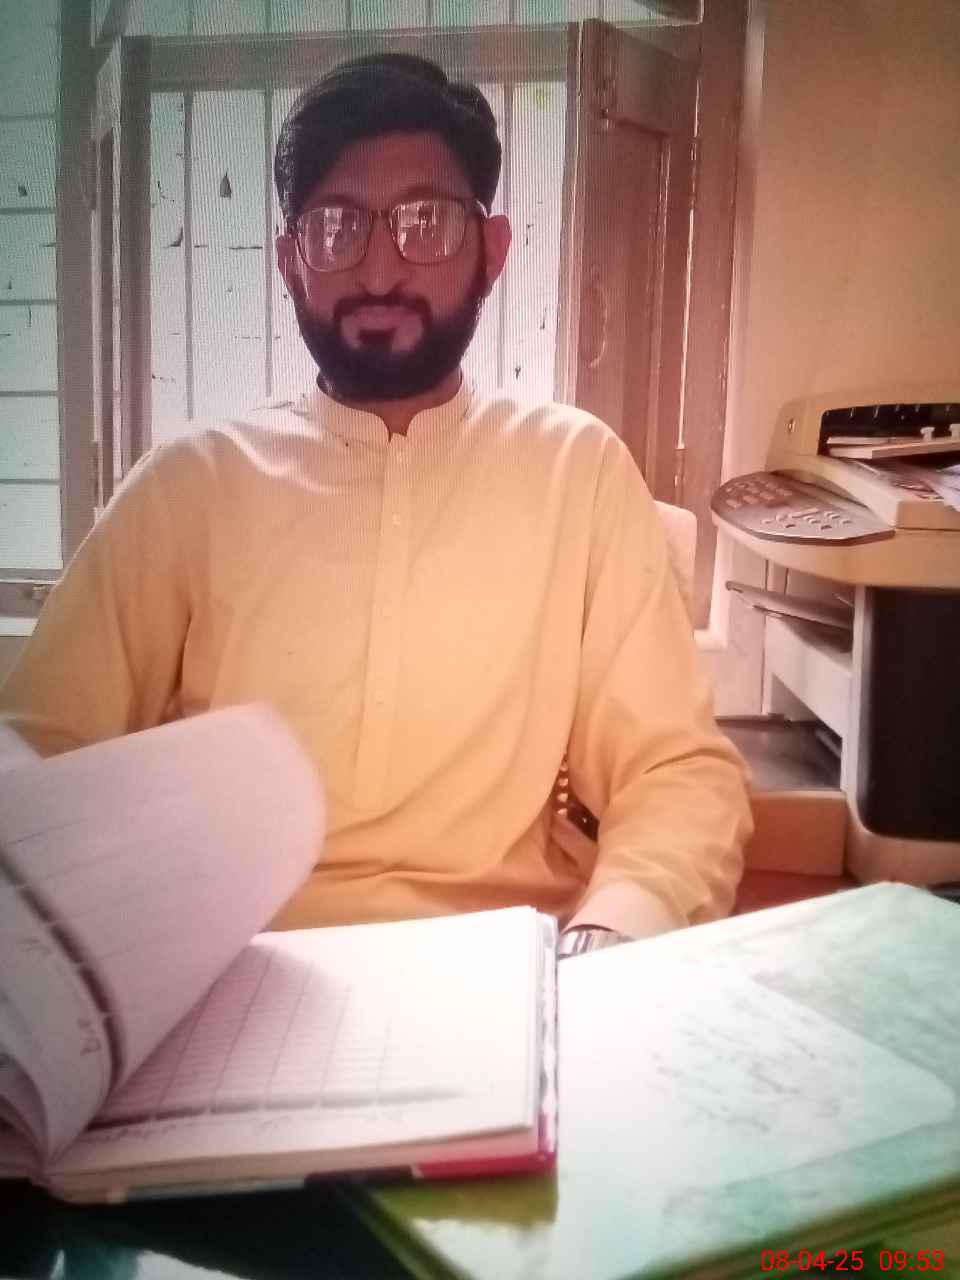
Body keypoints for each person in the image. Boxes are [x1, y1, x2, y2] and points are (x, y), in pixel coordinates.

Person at [0, 53, 752, 955]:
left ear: (492, 251)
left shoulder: (575, 472)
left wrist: (610, 933)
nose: (381, 269)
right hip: (226, 974)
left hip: (500, 971)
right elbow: (33, 755)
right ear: (290, 262)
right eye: (337, 227)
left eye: (425, 222)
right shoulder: (190, 485)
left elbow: (675, 773)